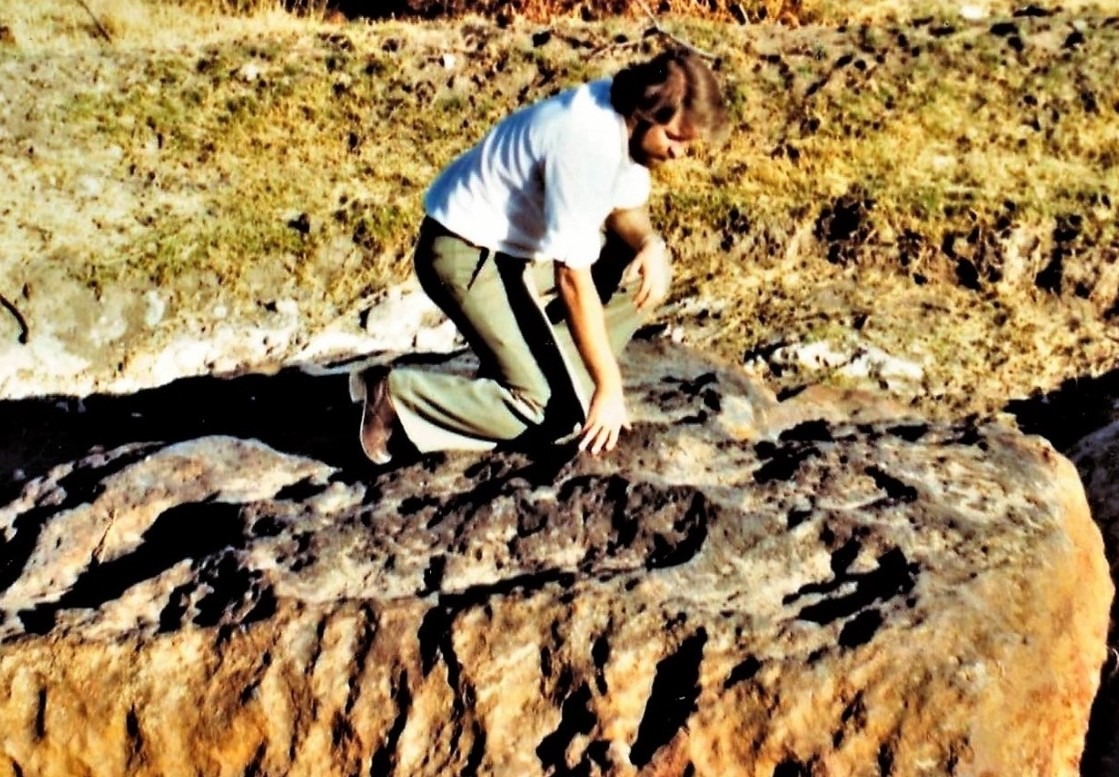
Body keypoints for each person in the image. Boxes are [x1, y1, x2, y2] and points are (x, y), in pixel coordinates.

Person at [350, 48, 727, 464]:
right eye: (674, 138)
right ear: (644, 111)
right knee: (546, 412)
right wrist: (609, 383)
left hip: (517, 256)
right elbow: (572, 277)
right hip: (463, 252)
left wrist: (650, 242)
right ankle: (394, 395)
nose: (679, 154)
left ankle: (550, 369)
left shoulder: (622, 125)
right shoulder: (587, 140)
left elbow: (624, 209)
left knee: (641, 270)